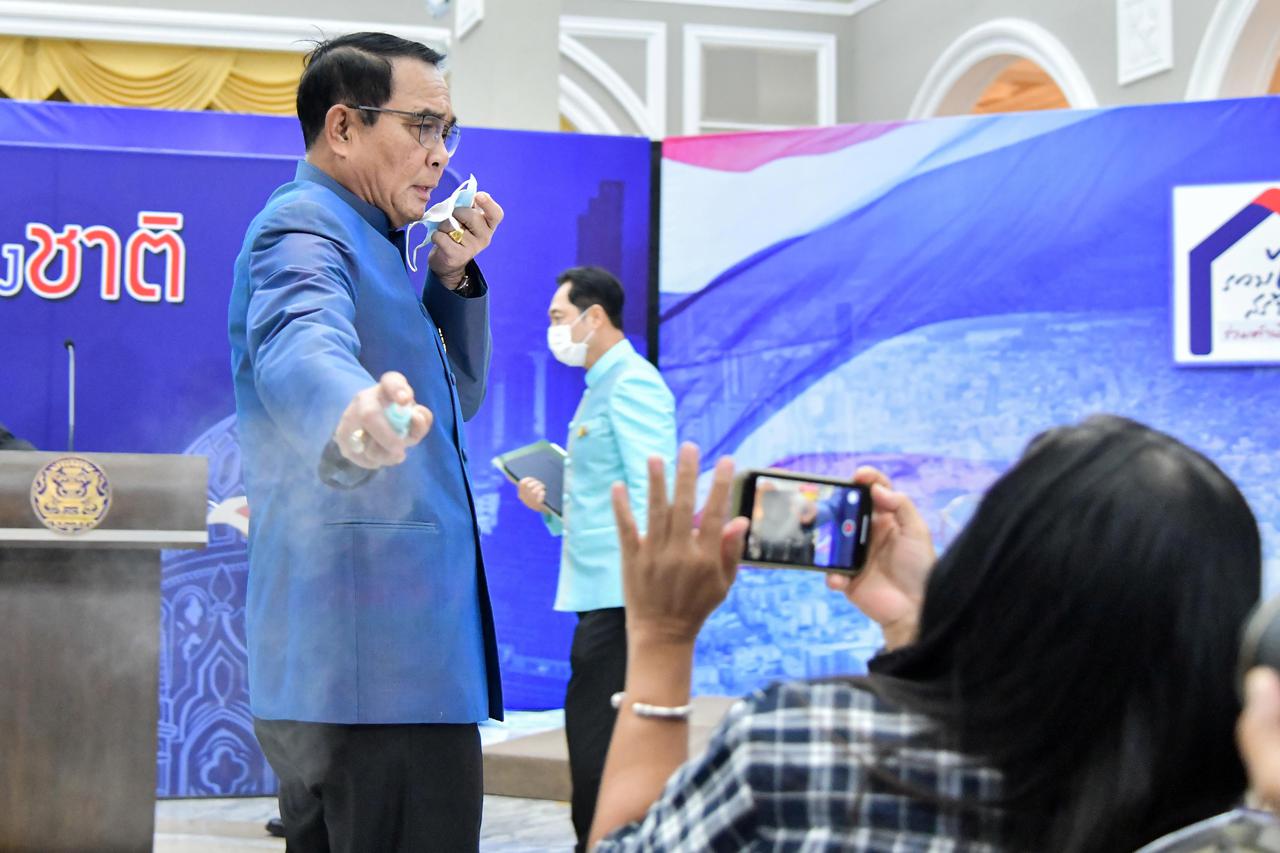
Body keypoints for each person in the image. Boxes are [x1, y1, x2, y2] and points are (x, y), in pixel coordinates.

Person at [589, 416, 1261, 852]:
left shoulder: (806, 748)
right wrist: (912, 620)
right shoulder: (1228, 816)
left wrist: (663, 636)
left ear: (997, 561)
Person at [227, 31, 504, 853]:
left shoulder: (381, 242)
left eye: (449, 132)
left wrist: (450, 279)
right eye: (421, 126)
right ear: (343, 127)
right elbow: (300, 341)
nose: (440, 154)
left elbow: (452, 401)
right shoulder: (304, 228)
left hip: (375, 671)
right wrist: (351, 411)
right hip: (376, 670)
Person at [512, 266, 676, 852]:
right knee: (593, 747)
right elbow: (604, 492)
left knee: (600, 747)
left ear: (595, 317)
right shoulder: (601, 387)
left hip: (626, 599)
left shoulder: (632, 383)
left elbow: (656, 493)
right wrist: (550, 504)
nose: (553, 330)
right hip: (602, 595)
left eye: (559, 318)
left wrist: (654, 602)